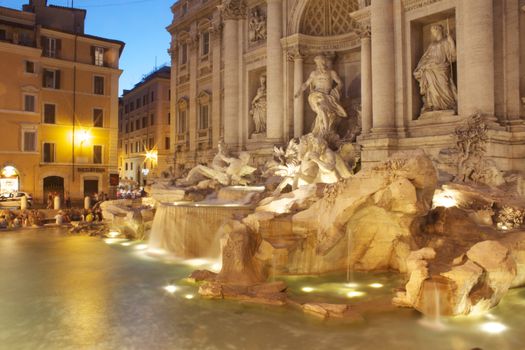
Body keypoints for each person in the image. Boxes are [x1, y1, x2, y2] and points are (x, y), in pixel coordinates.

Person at [294, 54, 347, 138]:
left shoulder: (331, 73)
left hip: (327, 96)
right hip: (315, 95)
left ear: (324, 62)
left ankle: (323, 131)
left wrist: (335, 90)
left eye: (320, 63)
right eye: (317, 63)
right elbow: (306, 84)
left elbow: (340, 83)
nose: (319, 65)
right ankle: (326, 130)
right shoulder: (314, 74)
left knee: (322, 110)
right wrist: (299, 91)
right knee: (321, 107)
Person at [413, 24, 457, 113]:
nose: (434, 32)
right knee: (431, 86)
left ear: (440, 30)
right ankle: (433, 104)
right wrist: (424, 65)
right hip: (431, 68)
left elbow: (453, 55)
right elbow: (426, 57)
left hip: (442, 67)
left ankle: (447, 104)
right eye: (433, 31)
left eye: (435, 30)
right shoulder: (432, 44)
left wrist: (451, 41)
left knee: (444, 85)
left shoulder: (446, 41)